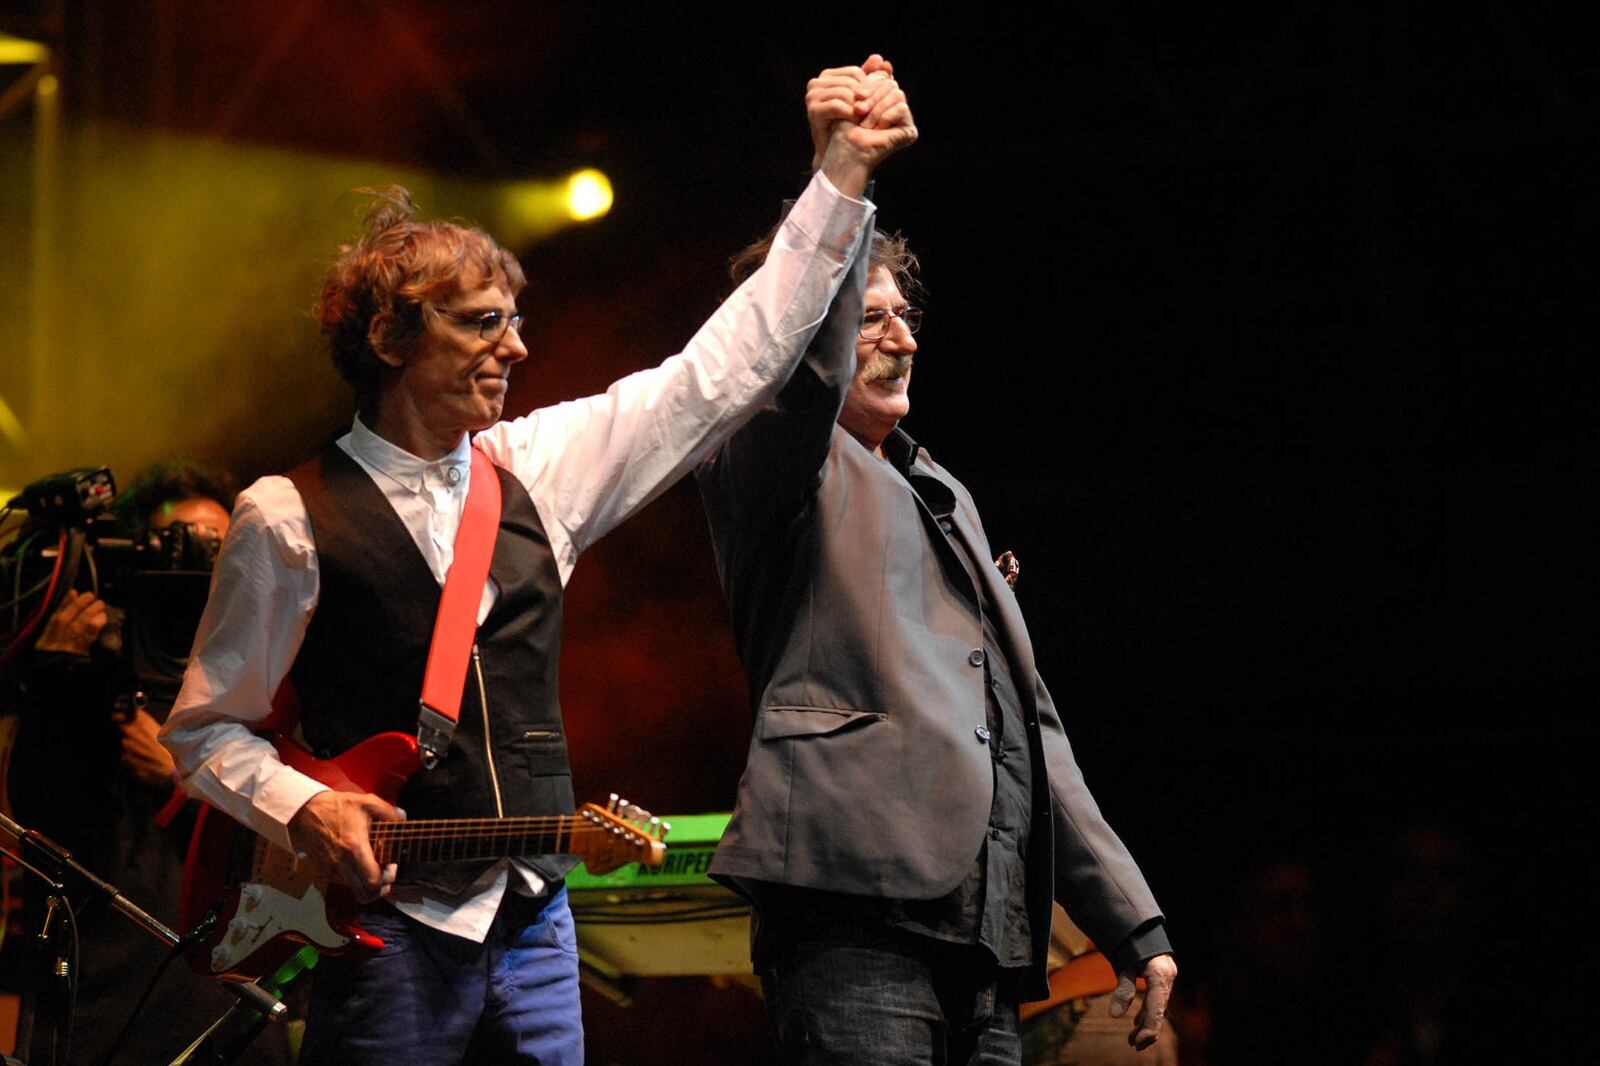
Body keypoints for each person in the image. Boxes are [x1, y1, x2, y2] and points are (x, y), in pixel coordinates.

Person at [160, 59, 915, 1065]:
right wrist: (311, 806)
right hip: (389, 933)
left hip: (533, 923)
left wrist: (841, 174)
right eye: (482, 322)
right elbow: (205, 729)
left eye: (514, 321)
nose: (516, 348)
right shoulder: (286, 515)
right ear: (389, 337)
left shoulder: (533, 468)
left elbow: (720, 373)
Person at [696, 209, 1176, 1059]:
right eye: (868, 319)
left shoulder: (945, 494)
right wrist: (841, 194)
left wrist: (1132, 922)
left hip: (986, 936)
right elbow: (794, 383)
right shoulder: (770, 455)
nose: (903, 340)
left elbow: (1031, 726)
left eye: (905, 316)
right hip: (855, 916)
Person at [6, 461, 293, 1065]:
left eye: (221, 548)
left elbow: (294, 856)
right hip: (104, 1015)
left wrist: (182, 780)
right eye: (178, 544)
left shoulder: (267, 681)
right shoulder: (90, 677)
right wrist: (57, 679)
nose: (201, 566)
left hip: (227, 1015)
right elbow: (40, 815)